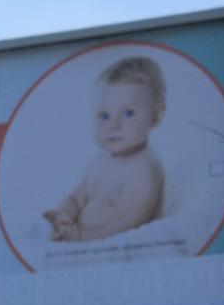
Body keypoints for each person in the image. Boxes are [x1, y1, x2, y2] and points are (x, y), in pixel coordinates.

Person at [44, 56, 166, 241]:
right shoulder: (100, 163)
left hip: (120, 249)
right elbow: (77, 198)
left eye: (128, 113)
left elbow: (129, 219)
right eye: (104, 115)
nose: (113, 125)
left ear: (156, 115)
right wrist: (65, 215)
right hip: (87, 241)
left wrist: (84, 235)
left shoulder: (144, 167)